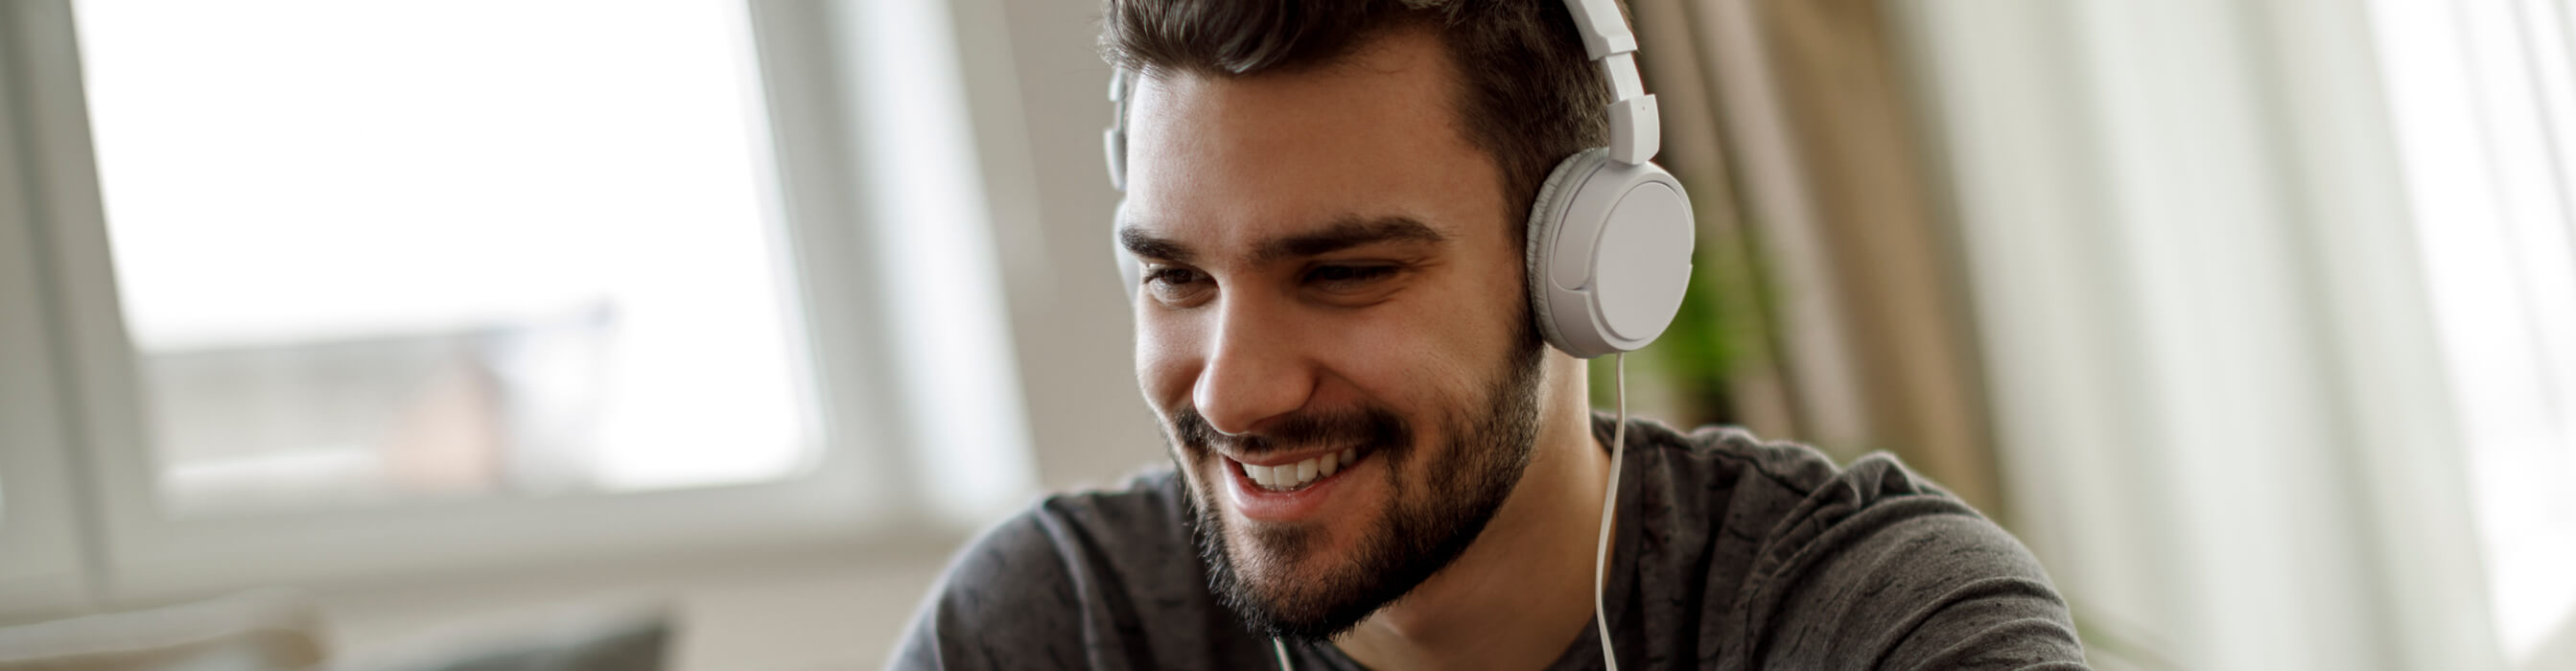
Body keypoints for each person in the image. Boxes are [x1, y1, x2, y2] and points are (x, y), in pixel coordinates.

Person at [893, 1, 2087, 668]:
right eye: (1175, 277)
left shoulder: (1872, 621)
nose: (1234, 392)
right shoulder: (1055, 625)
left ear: (1580, 263)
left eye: (1345, 273)